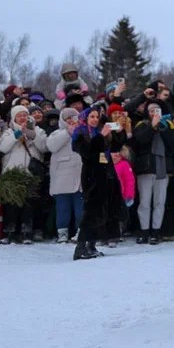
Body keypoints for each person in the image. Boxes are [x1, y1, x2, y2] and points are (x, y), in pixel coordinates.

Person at [71, 106, 126, 260]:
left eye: (97, 117)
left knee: (104, 211)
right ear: (86, 118)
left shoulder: (101, 132)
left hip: (107, 173)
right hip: (92, 176)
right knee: (91, 211)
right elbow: (88, 153)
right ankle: (81, 247)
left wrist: (120, 131)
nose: (95, 119)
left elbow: (116, 147)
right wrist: (101, 136)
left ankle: (92, 245)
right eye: (92, 117)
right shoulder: (81, 133)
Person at [0, 104, 46, 244]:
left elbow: (44, 147)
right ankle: (9, 232)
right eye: (19, 115)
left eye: (24, 114)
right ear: (14, 118)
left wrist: (31, 134)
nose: (23, 117)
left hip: (30, 173)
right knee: (11, 204)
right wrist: (17, 135)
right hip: (12, 173)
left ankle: (26, 232)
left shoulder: (38, 130)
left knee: (28, 205)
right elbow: (2, 147)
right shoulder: (8, 131)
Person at [130, 103, 174, 243]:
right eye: (151, 110)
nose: (154, 113)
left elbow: (173, 144)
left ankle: (156, 231)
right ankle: (144, 230)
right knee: (145, 201)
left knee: (160, 201)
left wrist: (162, 127)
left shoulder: (167, 125)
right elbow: (140, 140)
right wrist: (152, 126)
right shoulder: (142, 125)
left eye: (156, 110)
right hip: (146, 167)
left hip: (163, 167)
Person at [47, 108, 85, 243]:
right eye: (67, 118)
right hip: (62, 178)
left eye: (73, 117)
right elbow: (51, 146)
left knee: (80, 209)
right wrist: (68, 132)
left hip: (80, 177)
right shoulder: (56, 134)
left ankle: (80, 231)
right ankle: (62, 232)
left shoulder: (84, 132)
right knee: (63, 208)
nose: (71, 120)